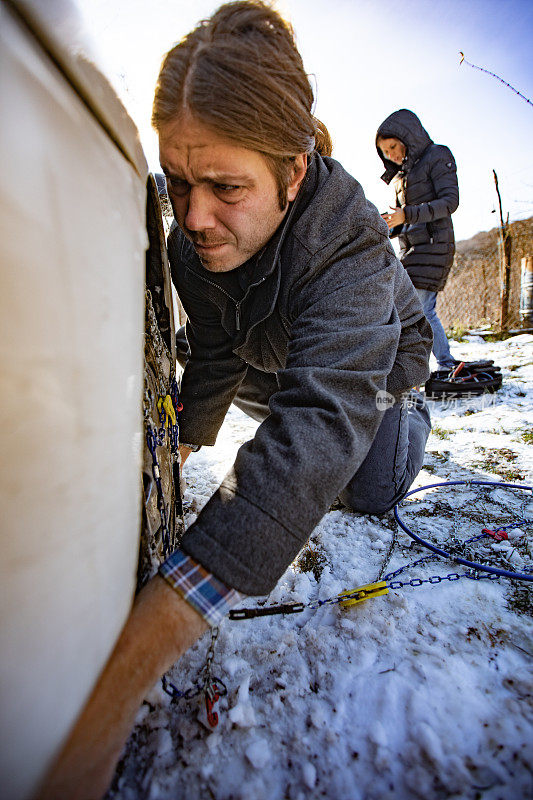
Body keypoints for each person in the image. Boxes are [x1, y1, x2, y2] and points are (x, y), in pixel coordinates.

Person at [38, 4, 433, 797]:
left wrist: (108, 702)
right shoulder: (195, 238)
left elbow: (318, 420)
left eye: (224, 186)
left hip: (377, 380)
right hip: (281, 366)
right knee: (284, 438)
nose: (193, 217)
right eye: (179, 182)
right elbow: (215, 353)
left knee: (362, 484)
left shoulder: (350, 239)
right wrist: (181, 441)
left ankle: (414, 418)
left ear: (292, 172)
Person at [376, 109, 460, 371]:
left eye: (393, 146)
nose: (391, 155)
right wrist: (388, 224)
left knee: (422, 311)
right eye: (385, 152)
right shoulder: (400, 178)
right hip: (410, 252)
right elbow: (406, 220)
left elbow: (450, 202)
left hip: (435, 247)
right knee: (399, 310)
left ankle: (444, 365)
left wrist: (406, 214)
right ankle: (414, 369)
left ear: (407, 138)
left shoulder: (438, 156)